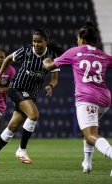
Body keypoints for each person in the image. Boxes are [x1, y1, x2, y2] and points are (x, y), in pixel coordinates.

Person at [0, 28, 64, 169]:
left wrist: (51, 86)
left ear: (46, 42)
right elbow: (8, 58)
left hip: (32, 94)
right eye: (34, 41)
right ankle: (21, 150)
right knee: (34, 115)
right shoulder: (26, 51)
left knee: (13, 126)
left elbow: (54, 79)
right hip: (18, 88)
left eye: (39, 41)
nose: (36, 44)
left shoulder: (52, 56)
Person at [42, 20, 112, 175]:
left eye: (78, 38)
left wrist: (46, 60)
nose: (77, 41)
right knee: (89, 131)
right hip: (105, 99)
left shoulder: (75, 51)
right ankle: (87, 163)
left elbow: (49, 66)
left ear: (83, 39)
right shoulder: (103, 55)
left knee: (91, 134)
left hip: (87, 98)